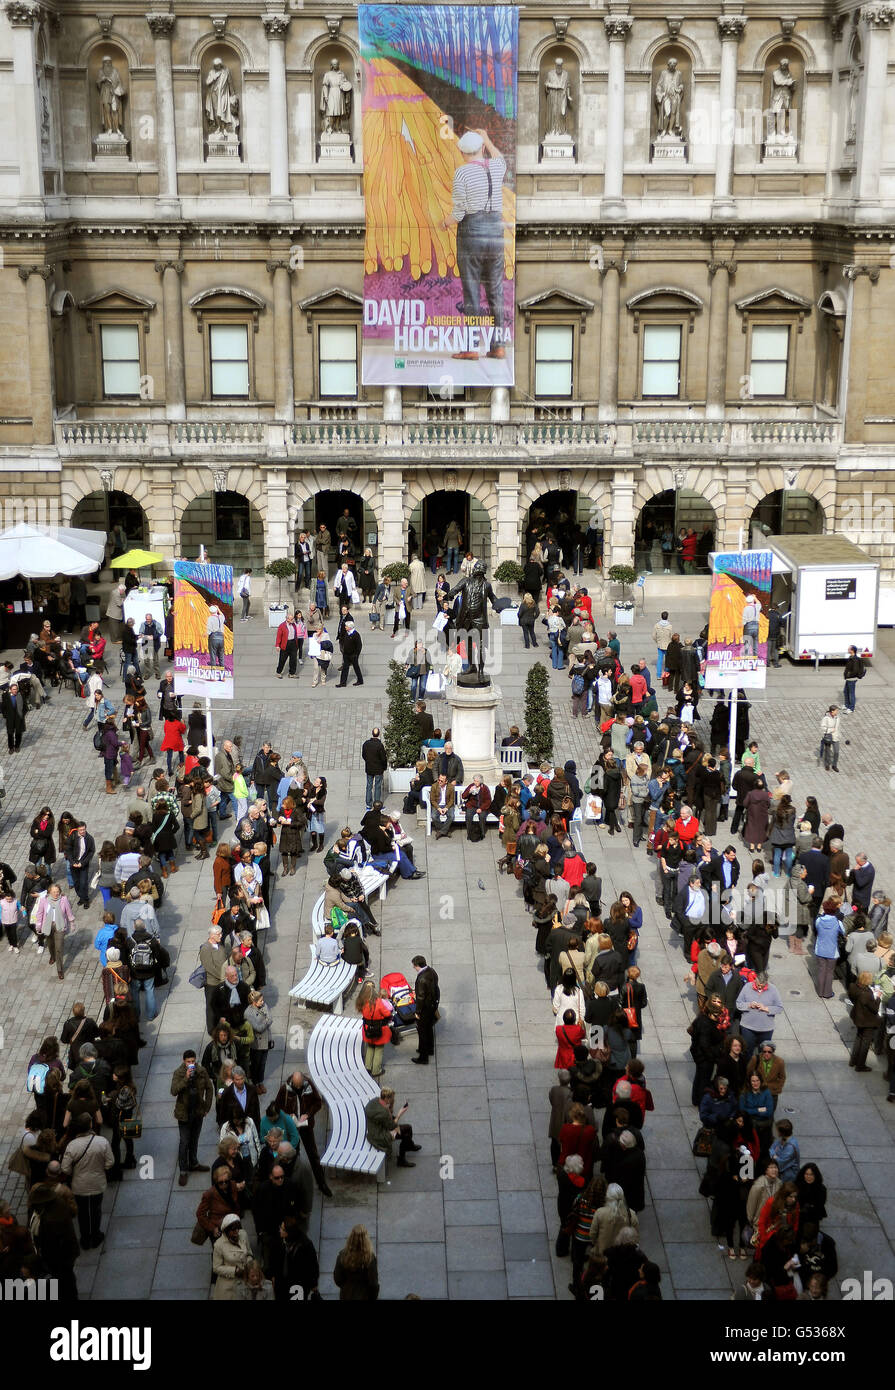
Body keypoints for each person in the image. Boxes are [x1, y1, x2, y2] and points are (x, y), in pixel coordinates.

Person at [59, 1112, 114, 1249]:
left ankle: (85, 1239)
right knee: (96, 1209)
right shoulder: (102, 1142)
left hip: (79, 1186)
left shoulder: (72, 1146)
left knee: (82, 1212)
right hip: (97, 1183)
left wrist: (74, 1173)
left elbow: (65, 1169)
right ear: (90, 1124)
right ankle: (95, 1235)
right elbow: (110, 1162)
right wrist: (101, 1169)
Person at [171, 1050, 214, 1186]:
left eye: (193, 1061)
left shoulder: (201, 1071)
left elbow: (209, 1088)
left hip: (198, 1111)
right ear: (184, 1061)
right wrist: (186, 1078)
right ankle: (183, 1170)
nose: (191, 1064)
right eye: (188, 1062)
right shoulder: (179, 1073)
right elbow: (173, 1091)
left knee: (194, 1139)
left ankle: (194, 1163)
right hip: (184, 1112)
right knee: (184, 1142)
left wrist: (207, 1107)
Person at [364, 1087, 421, 1169]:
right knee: (405, 1134)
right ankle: (401, 1160)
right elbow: (392, 1126)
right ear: (387, 1098)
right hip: (380, 1136)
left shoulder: (376, 1100)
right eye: (392, 1099)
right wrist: (400, 1113)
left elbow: (387, 1118)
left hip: (376, 1128)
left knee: (407, 1129)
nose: (393, 1100)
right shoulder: (383, 1113)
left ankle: (410, 1145)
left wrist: (389, 1109)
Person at [333, 1224, 379, 1301]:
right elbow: (374, 1284)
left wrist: (346, 1287)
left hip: (346, 1295)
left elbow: (338, 1279)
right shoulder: (370, 1258)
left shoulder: (342, 1256)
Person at [411, 954, 439, 1065]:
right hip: (432, 1005)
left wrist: (417, 1012)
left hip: (424, 1009)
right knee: (428, 1028)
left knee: (422, 1031)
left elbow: (421, 997)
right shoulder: (431, 971)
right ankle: (429, 1049)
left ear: (417, 965)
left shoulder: (421, 979)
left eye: (414, 966)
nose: (413, 968)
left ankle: (423, 1057)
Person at [361, 727, 387, 809]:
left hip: (369, 767)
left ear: (372, 733)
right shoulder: (379, 745)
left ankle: (368, 804)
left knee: (369, 786)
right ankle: (377, 804)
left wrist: (368, 761)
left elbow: (364, 755)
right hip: (378, 769)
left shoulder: (366, 744)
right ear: (379, 734)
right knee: (377, 786)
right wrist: (384, 766)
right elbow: (383, 758)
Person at [336, 618, 363, 686]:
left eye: (346, 626)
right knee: (345, 668)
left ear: (350, 627)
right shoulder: (346, 633)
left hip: (353, 655)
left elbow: (359, 646)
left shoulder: (356, 635)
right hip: (346, 654)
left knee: (356, 668)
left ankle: (360, 680)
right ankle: (343, 683)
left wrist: (356, 654)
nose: (345, 627)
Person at [842, 644, 865, 712]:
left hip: (852, 679)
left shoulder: (855, 659)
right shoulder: (851, 657)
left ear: (852, 650)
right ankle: (846, 705)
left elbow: (855, 671)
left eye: (849, 649)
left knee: (851, 693)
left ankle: (851, 708)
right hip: (849, 678)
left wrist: (848, 675)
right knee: (845, 691)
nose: (848, 650)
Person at [819, 704, 841, 773]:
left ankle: (834, 765)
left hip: (835, 737)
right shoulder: (826, 718)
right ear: (832, 711)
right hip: (828, 737)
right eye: (836, 710)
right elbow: (822, 728)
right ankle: (827, 764)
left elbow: (837, 728)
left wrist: (838, 734)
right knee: (828, 752)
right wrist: (830, 730)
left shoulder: (837, 718)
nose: (837, 712)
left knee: (836, 752)